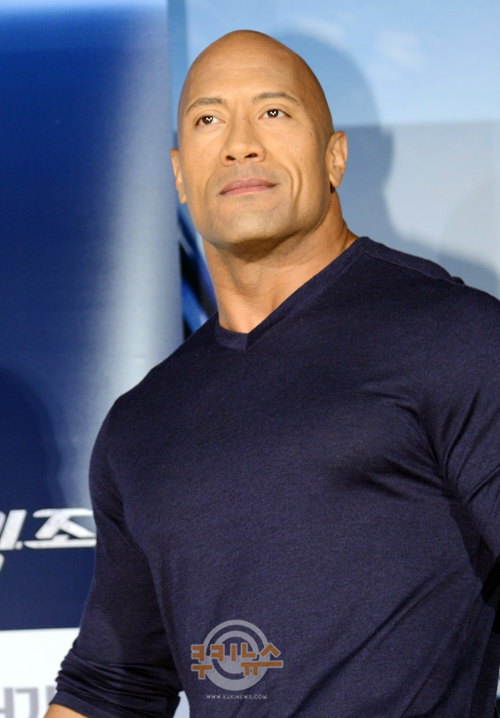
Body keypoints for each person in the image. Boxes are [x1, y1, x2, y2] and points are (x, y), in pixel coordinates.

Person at [45, 30, 500, 718]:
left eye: (274, 112)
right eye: (208, 119)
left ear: (334, 156)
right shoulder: (140, 424)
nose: (240, 144)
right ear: (179, 174)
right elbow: (113, 686)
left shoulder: (454, 336)